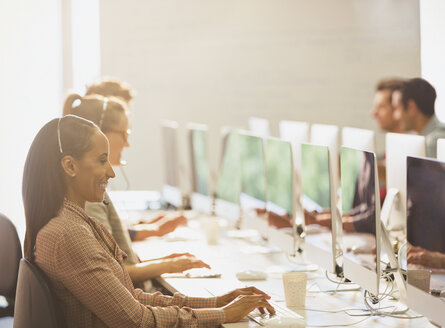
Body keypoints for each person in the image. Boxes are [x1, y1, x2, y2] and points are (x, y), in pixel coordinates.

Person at [23, 115, 274, 327]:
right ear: (69, 165)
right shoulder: (69, 233)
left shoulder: (73, 221)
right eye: (102, 160)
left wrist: (218, 301)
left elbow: (130, 299)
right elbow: (136, 320)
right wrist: (223, 315)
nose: (111, 172)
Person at [62, 94, 207, 285]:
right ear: (100, 132)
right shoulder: (88, 197)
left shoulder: (91, 192)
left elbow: (112, 266)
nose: (128, 143)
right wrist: (170, 265)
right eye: (125, 134)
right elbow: (114, 274)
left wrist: (165, 260)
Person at [392, 77, 445, 158]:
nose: (395, 117)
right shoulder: (427, 138)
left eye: (397, 108)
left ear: (411, 107)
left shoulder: (434, 142)